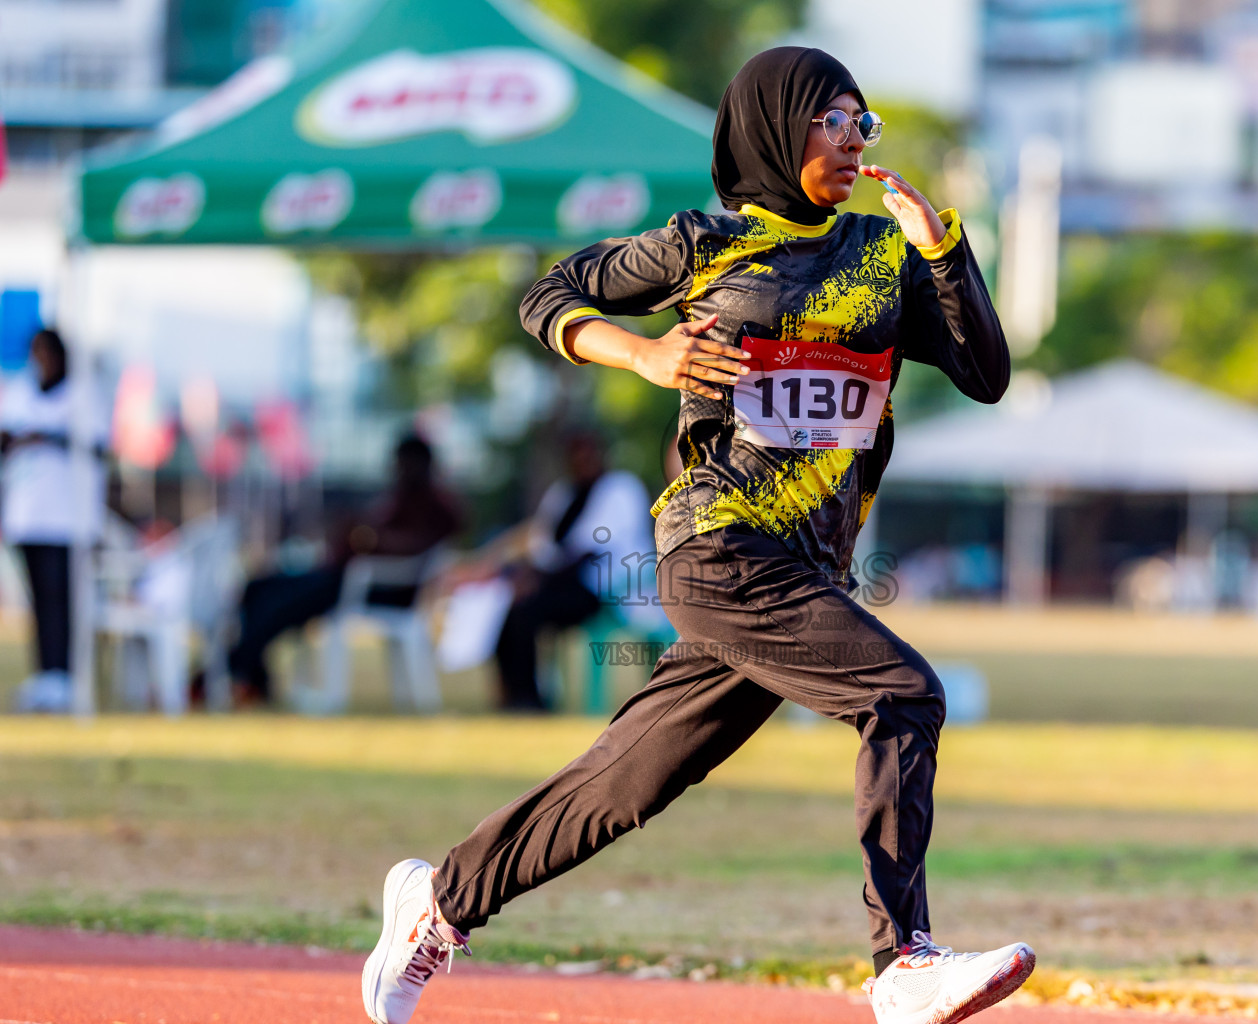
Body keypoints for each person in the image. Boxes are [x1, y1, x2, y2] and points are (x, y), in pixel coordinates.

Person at [361, 48, 1032, 1024]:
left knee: (627, 783)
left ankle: (440, 899)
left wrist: (942, 246)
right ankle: (904, 961)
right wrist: (643, 352)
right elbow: (547, 296)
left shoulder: (884, 259)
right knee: (902, 694)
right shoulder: (701, 244)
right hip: (718, 547)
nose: (851, 139)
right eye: (828, 120)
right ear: (771, 127)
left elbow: (987, 373)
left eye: (861, 123)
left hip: (810, 568)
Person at [224, 432, 462, 705]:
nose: (397, 469)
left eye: (403, 462)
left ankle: (237, 666)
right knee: (259, 587)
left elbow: (410, 546)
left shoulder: (436, 504)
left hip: (379, 586)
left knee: (283, 603)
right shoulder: (397, 497)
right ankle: (249, 672)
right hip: (347, 574)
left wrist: (369, 538)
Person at [451, 430, 659, 710]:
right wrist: (520, 573)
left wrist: (537, 578)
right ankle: (513, 694)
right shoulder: (563, 493)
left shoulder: (620, 489)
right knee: (508, 604)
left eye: (588, 454)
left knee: (527, 609)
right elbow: (542, 544)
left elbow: (588, 551)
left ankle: (529, 699)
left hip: (604, 591)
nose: (582, 461)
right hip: (560, 583)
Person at [0, 328, 107, 713]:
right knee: (39, 598)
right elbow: (2, 440)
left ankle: (67, 674)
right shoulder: (20, 392)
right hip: (29, 514)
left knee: (66, 597)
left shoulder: (83, 394)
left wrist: (45, 437)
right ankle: (46, 673)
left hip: (69, 517)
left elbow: (95, 445)